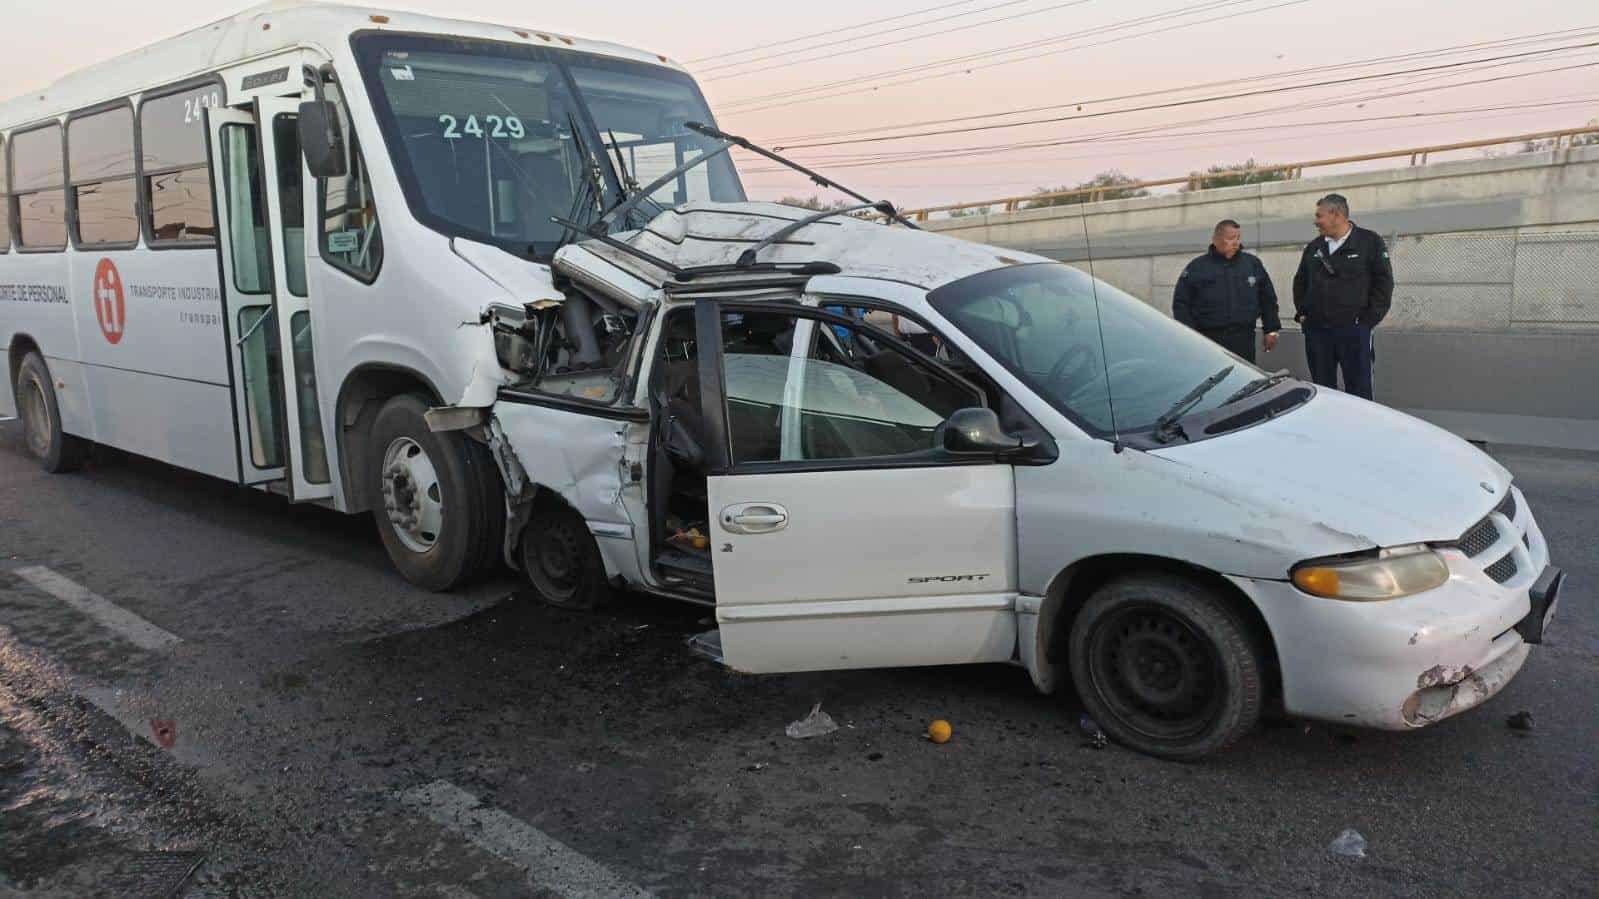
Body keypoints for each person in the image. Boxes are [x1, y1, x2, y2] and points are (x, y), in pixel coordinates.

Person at [1291, 194, 1393, 400]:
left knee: (1359, 389)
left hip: (1353, 332)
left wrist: (1366, 322)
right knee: (1322, 390)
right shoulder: (1314, 247)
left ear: (1336, 214)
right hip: (1318, 333)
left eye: (1319, 216)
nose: (1316, 221)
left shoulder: (1369, 242)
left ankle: (1359, 430)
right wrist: (1303, 315)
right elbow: (1300, 282)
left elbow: (1383, 284)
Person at [1172, 219, 1281, 363]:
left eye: (1238, 238)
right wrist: (1191, 336)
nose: (1236, 243)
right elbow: (1181, 303)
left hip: (1244, 338)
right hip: (1209, 339)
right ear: (1215, 240)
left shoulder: (1252, 264)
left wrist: (1271, 329)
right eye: (1230, 239)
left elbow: (1267, 298)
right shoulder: (1197, 267)